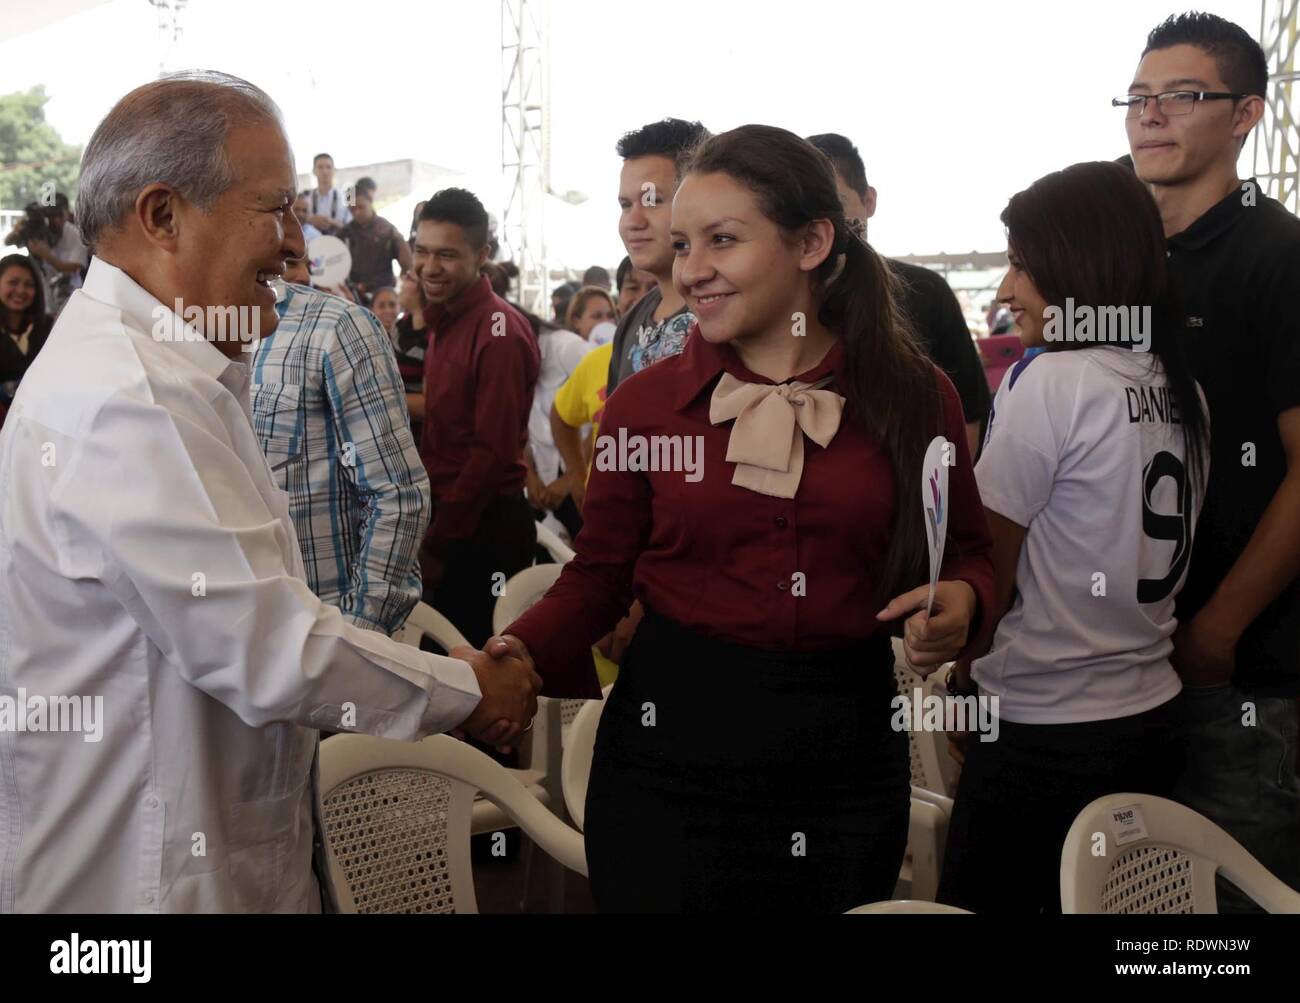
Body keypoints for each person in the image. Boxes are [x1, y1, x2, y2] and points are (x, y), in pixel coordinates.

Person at [0, 71, 538, 913]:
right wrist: (465, 690)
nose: (296, 240)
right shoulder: (127, 396)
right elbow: (267, 645)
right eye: (274, 207)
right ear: (163, 215)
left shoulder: (171, 369)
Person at [488, 125, 993, 913]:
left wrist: (964, 602)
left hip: (845, 755)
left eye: (722, 241)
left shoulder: (916, 394)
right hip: (670, 753)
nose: (693, 272)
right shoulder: (642, 409)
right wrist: (513, 651)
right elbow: (596, 577)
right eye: (684, 245)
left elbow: (968, 551)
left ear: (813, 241)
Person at [936, 161, 1210, 914]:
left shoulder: (1050, 382)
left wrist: (964, 686)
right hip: (1152, 713)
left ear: (1077, 262)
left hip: (1046, 732)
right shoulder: (1182, 387)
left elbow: (990, 571)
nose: (1004, 290)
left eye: (1022, 263)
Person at [1121, 11, 1300, 907]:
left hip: (1245, 677)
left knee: (1224, 917)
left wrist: (1220, 628)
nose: (1151, 116)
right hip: (1130, 669)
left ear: (1246, 115)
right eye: (1140, 98)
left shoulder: (1277, 254)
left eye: (1182, 97)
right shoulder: (1129, 262)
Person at [252, 272, 429, 636]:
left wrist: (357, 632)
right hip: (228, 643)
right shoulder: (168, 333)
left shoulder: (334, 327)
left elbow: (397, 493)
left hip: (321, 634)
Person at [807, 133, 990, 458]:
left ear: (869, 201)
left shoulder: (927, 292)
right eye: (807, 210)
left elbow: (968, 413)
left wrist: (948, 498)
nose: (822, 225)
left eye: (835, 204)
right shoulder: (781, 301)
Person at [414, 188, 541, 648]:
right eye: (422, 251)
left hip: (481, 530)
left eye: (447, 255)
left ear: (482, 255)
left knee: (473, 687)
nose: (430, 267)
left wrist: (437, 545)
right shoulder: (443, 320)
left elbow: (490, 455)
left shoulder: (498, 333)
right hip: (449, 520)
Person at [606, 118, 708, 395]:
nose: (632, 221)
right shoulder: (632, 319)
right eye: (626, 205)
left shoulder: (725, 312)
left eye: (651, 201)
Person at [525, 301, 594, 541]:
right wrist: (529, 476)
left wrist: (570, 480)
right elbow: (516, 421)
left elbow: (605, 416)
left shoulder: (567, 347)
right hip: (543, 483)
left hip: (583, 478)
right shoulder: (509, 358)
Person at [0, 253, 53, 424]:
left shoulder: (50, 327)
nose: (21, 290)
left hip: (44, 421)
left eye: (29, 285)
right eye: (13, 282)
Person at [338, 189, 411, 303]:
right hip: (354, 296)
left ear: (370, 201)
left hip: (383, 295)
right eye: (352, 209)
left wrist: (399, 289)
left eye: (361, 207)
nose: (357, 212)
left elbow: (407, 265)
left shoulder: (387, 230)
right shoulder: (344, 233)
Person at [23, 193, 89, 318]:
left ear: (66, 214)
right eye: (52, 216)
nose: (56, 220)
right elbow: (9, 242)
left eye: (60, 215)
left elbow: (74, 267)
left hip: (70, 296)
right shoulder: (39, 231)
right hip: (43, 296)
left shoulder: (74, 234)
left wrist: (46, 255)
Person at [301, 152, 352, 235]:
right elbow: (297, 220)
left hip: (340, 244)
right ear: (314, 171)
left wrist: (332, 222)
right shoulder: (305, 196)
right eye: (320, 167)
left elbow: (354, 225)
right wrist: (310, 219)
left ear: (334, 170)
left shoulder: (348, 194)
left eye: (328, 167)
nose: (324, 171)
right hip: (311, 244)